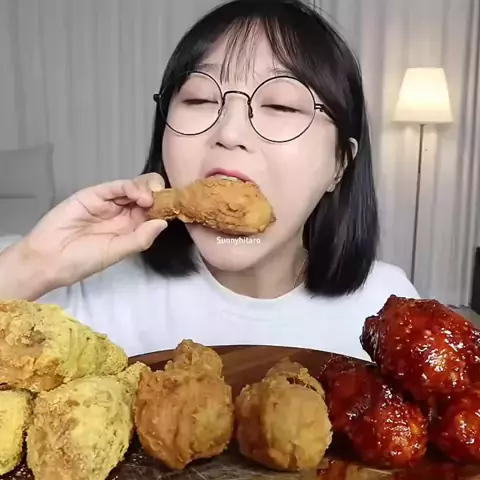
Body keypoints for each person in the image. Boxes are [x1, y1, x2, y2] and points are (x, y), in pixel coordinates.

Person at [0, 0, 418, 361]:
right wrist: (33, 265)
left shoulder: (389, 310)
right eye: (199, 99)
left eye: (282, 106)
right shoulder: (77, 292)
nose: (229, 133)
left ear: (340, 164)